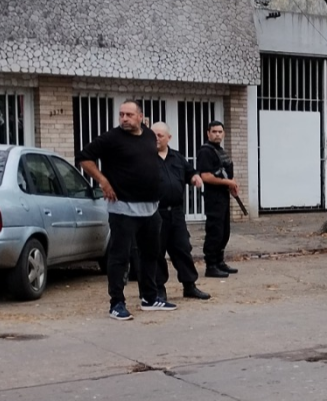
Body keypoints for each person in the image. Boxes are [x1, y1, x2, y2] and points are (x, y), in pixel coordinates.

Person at [77, 100, 177, 320]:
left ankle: (149, 298)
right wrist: (103, 181)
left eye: (129, 115)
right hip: (123, 208)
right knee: (119, 257)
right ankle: (117, 304)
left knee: (150, 254)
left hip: (151, 208)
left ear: (140, 117)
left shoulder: (150, 136)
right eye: (121, 114)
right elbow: (84, 157)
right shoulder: (111, 138)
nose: (124, 118)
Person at [151, 122, 210, 302]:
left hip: (176, 213)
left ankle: (189, 285)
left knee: (182, 249)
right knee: (156, 252)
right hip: (155, 212)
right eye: (153, 135)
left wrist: (194, 178)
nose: (156, 139)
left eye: (160, 135)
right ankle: (159, 289)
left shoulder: (177, 157)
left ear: (169, 138)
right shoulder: (146, 157)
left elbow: (189, 172)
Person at [198, 120, 239, 278]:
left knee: (224, 232)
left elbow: (227, 173)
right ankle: (211, 265)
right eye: (214, 132)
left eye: (220, 132)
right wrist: (227, 182)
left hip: (223, 196)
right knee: (214, 232)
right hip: (213, 197)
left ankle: (220, 261)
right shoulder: (205, 152)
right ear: (208, 133)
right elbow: (206, 176)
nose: (217, 134)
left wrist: (232, 186)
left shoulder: (221, 151)